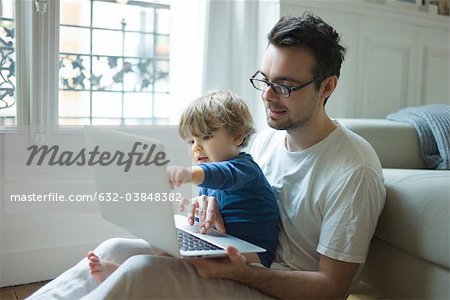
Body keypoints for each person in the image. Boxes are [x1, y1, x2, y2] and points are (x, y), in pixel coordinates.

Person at [28, 14, 385, 300]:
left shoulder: (354, 170)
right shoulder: (267, 143)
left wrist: (242, 272)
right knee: (116, 248)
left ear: (327, 86)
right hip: (241, 262)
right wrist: (210, 209)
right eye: (265, 80)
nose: (269, 96)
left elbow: (332, 289)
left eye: (286, 86)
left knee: (140, 271)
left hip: (271, 286)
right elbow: (240, 196)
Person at [86, 90, 279, 283]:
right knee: (173, 249)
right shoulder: (207, 178)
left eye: (206, 136)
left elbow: (223, 174)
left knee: (176, 263)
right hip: (225, 243)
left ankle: (124, 275)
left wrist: (188, 173)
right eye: (191, 141)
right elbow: (210, 215)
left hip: (255, 255)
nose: (196, 147)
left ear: (237, 136)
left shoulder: (244, 168)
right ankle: (122, 273)